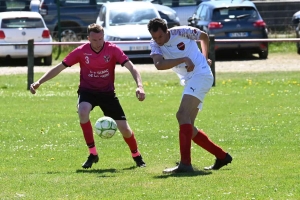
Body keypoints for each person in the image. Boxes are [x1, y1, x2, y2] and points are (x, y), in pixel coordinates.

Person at [30, 23, 146, 169]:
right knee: (83, 111)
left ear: (104, 37)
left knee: (125, 129)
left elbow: (132, 67)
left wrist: (140, 86)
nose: (98, 43)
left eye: (100, 39)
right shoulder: (81, 51)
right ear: (88, 38)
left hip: (107, 93)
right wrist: (39, 82)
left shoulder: (112, 49)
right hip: (87, 91)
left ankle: (136, 155)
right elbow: (59, 67)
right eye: (94, 40)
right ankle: (93, 154)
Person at [147, 18, 232, 173]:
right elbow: (159, 65)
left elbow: (204, 36)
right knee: (188, 127)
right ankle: (222, 156)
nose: (158, 40)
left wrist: (205, 57)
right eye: (155, 37)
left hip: (201, 74)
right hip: (191, 80)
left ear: (167, 31)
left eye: (160, 36)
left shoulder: (181, 32)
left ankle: (185, 165)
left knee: (181, 115)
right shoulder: (154, 45)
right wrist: (184, 59)